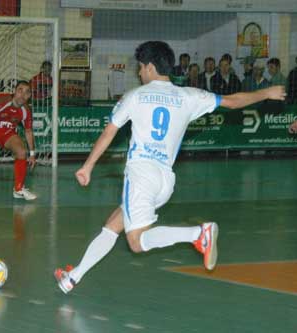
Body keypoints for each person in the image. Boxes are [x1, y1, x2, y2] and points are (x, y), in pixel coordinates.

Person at [54, 41, 286, 294]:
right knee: (112, 225)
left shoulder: (135, 96)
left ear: (151, 67)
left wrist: (87, 166)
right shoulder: (189, 95)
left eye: (141, 68)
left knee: (137, 242)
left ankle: (198, 234)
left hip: (141, 175)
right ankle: (72, 277)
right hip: (165, 180)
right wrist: (266, 93)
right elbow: (233, 101)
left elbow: (109, 132)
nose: (139, 73)